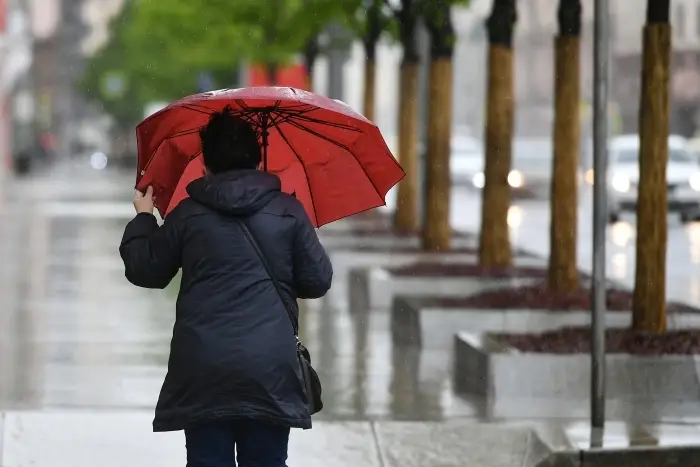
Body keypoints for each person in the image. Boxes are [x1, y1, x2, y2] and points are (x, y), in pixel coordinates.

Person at [119, 107, 333, 467]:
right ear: (257, 157)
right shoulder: (288, 211)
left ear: (206, 164)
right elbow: (318, 280)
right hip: (269, 367)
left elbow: (146, 271)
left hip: (204, 367)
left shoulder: (187, 214)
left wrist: (144, 218)